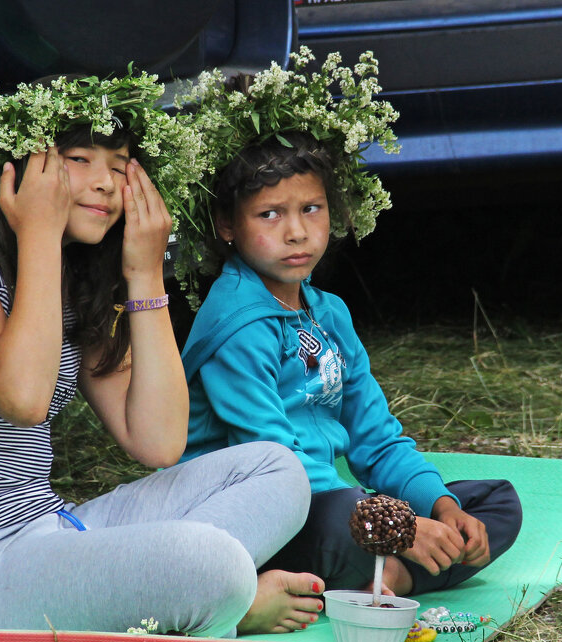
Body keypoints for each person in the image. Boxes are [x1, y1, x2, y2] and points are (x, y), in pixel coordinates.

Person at [0, 74, 322, 638]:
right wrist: (37, 230)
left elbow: (157, 442)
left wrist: (143, 272)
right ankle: (220, 594)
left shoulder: (76, 276)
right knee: (212, 562)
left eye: (120, 162)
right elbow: (23, 397)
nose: (106, 183)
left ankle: (185, 592)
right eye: (79, 157)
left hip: (52, 533)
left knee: (278, 470)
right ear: (19, 166)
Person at [176, 50, 523, 597]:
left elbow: (376, 439)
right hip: (262, 511)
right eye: (270, 214)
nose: (296, 232)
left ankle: (390, 574)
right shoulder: (237, 325)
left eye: (310, 209)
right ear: (225, 224)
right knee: (343, 514)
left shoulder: (329, 312)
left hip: (334, 505)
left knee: (492, 501)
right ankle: (384, 569)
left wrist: (437, 508)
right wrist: (393, 526)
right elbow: (275, 469)